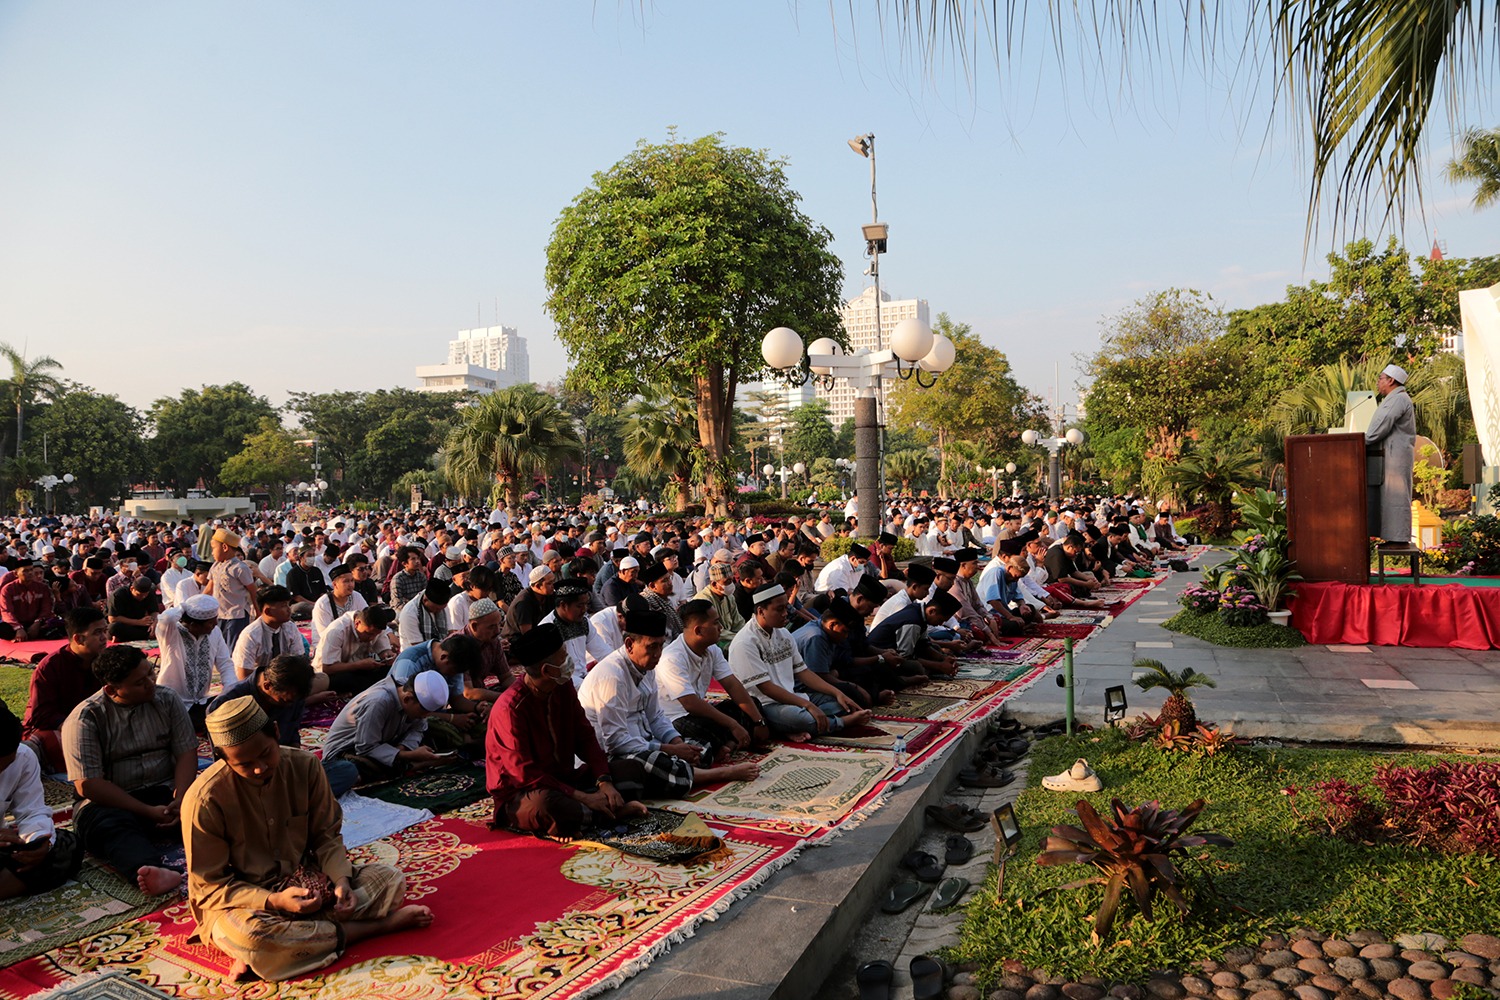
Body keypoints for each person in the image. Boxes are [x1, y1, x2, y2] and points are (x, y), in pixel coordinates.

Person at [182, 696, 432, 982]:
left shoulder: (305, 767)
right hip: (246, 905)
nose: (259, 768)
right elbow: (208, 887)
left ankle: (284, 949)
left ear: (276, 733)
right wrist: (274, 900)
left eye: (265, 754)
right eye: (244, 764)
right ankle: (369, 929)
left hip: (308, 886)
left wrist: (340, 882)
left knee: (389, 881)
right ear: (223, 759)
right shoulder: (205, 800)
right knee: (251, 936)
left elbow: (326, 836)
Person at [484, 624, 648, 839]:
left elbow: (585, 735)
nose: (569, 659)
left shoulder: (562, 686)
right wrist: (582, 797)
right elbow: (524, 774)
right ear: (547, 670)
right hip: (525, 793)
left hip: (564, 780)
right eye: (563, 656)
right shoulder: (510, 709)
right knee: (546, 806)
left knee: (631, 769)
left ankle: (592, 813)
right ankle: (604, 813)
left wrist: (604, 781)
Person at [577, 609, 759, 799]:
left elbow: (656, 717)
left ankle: (687, 768)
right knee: (654, 763)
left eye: (661, 646)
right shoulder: (612, 677)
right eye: (652, 647)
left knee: (701, 748)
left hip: (646, 740)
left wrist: (678, 744)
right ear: (630, 644)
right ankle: (719, 774)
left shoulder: (646, 667)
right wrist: (669, 750)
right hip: (613, 753)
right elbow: (616, 742)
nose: (658, 654)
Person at [63, 644, 195, 896]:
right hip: (111, 802)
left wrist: (181, 799)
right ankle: (149, 869)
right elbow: (88, 784)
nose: (150, 683)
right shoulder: (85, 718)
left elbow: (186, 752)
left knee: (206, 807)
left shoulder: (167, 699)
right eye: (139, 682)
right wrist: (146, 811)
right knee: (111, 827)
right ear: (112, 690)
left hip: (163, 792)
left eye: (150, 673)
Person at [728, 583, 872, 740]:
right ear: (761, 611)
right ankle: (840, 723)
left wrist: (837, 693)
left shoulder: (783, 634)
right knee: (805, 719)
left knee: (843, 703)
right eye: (779, 609)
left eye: (786, 608)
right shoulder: (745, 642)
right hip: (764, 705)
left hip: (792, 696)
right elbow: (767, 688)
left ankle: (791, 728)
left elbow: (803, 672)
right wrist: (808, 706)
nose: (785, 614)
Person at [655, 599, 770, 759]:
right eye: (716, 623)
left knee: (752, 705)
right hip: (676, 718)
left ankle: (728, 745)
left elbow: (732, 684)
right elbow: (690, 704)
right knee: (709, 729)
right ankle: (727, 744)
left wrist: (758, 721)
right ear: (699, 631)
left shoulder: (712, 650)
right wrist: (732, 724)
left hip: (700, 711)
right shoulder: (672, 658)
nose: (721, 628)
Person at [0, 705, 83, 899]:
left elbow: (32, 811)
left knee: (67, 846)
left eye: (5, 766)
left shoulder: (22, 758)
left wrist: (37, 842)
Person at [320, 671, 450, 787]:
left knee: (440, 734)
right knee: (350, 772)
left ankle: (405, 763)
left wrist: (402, 748)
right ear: (407, 699)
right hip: (346, 751)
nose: (425, 716)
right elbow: (366, 747)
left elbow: (419, 728)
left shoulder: (410, 692)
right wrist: (407, 755)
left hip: (383, 742)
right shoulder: (379, 701)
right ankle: (408, 765)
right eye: (424, 711)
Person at [21, 606, 108, 772]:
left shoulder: (105, 661)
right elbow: (42, 715)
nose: (105, 638)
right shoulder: (50, 667)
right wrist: (78, 727)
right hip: (59, 729)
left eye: (105, 631)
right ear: (79, 639)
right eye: (98, 632)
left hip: (97, 726)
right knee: (43, 744)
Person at [388, 632, 485, 751]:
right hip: (407, 718)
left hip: (435, 713)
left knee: (488, 713)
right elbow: (409, 710)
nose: (454, 675)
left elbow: (457, 699)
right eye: (454, 671)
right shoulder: (409, 663)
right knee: (445, 732)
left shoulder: (453, 662)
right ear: (444, 657)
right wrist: (452, 719)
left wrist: (478, 707)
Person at [156, 594, 236, 732]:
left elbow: (225, 663)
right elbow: (166, 617)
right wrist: (184, 606)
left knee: (230, 715)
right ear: (193, 625)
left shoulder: (215, 632)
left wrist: (231, 692)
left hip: (200, 701)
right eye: (211, 622)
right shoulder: (171, 632)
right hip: (172, 702)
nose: (216, 624)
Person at [208, 652, 316, 752]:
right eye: (285, 701)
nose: (291, 706)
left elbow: (292, 735)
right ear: (267, 686)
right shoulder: (226, 704)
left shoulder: (293, 695)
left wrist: (295, 758)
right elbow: (228, 757)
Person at [1366, 362, 1418, 545]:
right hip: (1391, 454)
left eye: (1380, 379)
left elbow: (1381, 426)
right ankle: (1393, 537)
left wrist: (1361, 441)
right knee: (1389, 497)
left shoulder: (1398, 399)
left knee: (1396, 496)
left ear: (1391, 380)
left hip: (1396, 455)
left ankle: (1399, 538)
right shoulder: (1394, 398)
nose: (1378, 383)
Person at [315, 605, 397, 695]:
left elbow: (383, 651)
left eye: (375, 635)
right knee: (351, 681)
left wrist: (387, 655)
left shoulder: (376, 630)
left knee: (391, 672)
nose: (372, 638)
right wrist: (358, 665)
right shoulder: (337, 630)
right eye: (368, 634)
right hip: (334, 673)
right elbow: (327, 668)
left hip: (360, 668)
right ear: (357, 623)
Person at [232, 586, 306, 682]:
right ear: (268, 611)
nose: (289, 609)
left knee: (320, 679)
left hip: (286, 678)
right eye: (283, 606)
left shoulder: (290, 627)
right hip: (259, 682)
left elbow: (299, 659)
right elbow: (244, 675)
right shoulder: (251, 635)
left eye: (288, 605)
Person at [207, 529, 259, 648]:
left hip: (236, 615)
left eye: (214, 548)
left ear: (224, 547)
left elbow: (253, 591)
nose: (212, 553)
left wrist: (258, 612)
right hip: (219, 614)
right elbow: (209, 589)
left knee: (233, 648)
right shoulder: (215, 566)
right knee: (220, 648)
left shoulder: (240, 568)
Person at [0, 560, 63, 640]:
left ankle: (27, 635)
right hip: (16, 624)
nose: (30, 573)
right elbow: (6, 611)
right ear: (16, 574)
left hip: (37, 622)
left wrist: (37, 623)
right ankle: (22, 634)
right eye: (25, 571)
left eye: (31, 569)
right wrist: (18, 628)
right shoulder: (8, 589)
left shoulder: (42, 587)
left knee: (58, 625)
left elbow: (46, 608)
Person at [310, 564, 368, 649]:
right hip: (327, 647)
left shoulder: (356, 596)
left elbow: (368, 617)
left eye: (352, 581)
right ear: (335, 584)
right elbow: (326, 635)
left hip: (352, 644)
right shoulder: (323, 604)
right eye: (346, 581)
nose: (351, 585)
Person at [693, 561, 745, 641]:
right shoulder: (703, 601)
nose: (731, 584)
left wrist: (745, 635)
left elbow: (738, 622)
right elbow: (713, 631)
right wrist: (738, 639)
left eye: (732, 580)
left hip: (732, 637)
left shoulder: (729, 597)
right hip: (714, 640)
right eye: (727, 582)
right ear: (714, 584)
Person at [397, 578, 452, 648]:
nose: (438, 611)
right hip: (417, 654)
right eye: (436, 609)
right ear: (425, 600)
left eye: (441, 609)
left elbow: (450, 633)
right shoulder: (409, 613)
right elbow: (418, 646)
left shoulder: (442, 607)